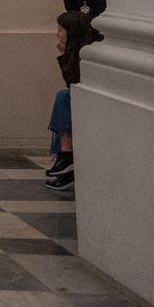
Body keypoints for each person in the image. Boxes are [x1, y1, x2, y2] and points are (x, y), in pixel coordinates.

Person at [46, 10, 99, 192]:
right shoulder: (75, 52)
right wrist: (65, 55)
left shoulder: (88, 54)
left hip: (92, 102)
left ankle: (66, 157)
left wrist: (65, 56)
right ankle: (65, 160)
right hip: (81, 99)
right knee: (64, 99)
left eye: (61, 30)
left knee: (63, 97)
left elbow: (73, 84)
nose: (57, 34)